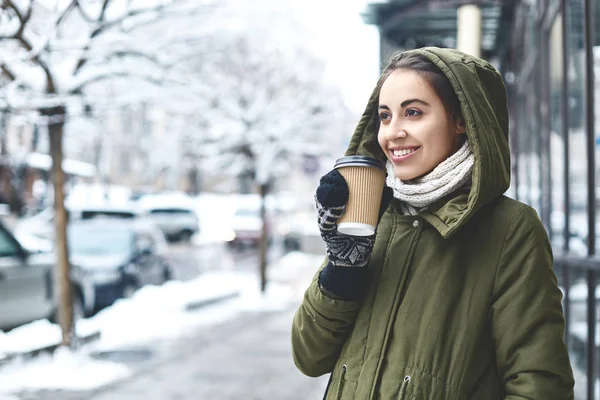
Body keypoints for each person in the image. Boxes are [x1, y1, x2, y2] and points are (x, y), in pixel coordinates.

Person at [291, 47, 574, 399]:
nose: (392, 133)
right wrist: (343, 268)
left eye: (412, 112)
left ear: (461, 120)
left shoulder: (509, 228)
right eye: (384, 115)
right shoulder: (370, 214)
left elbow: (541, 385)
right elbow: (309, 357)